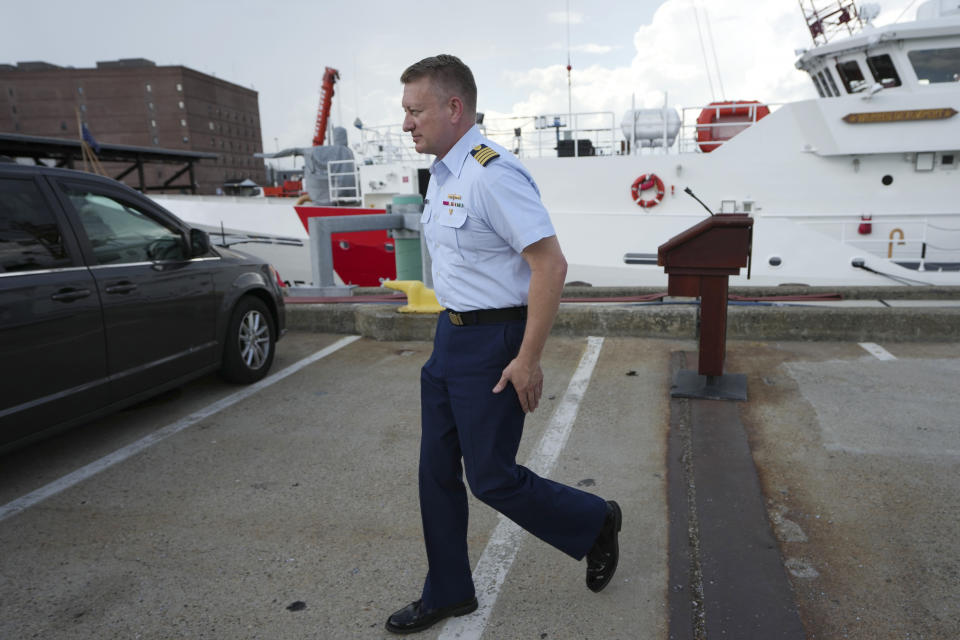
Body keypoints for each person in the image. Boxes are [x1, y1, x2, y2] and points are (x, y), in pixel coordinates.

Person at [385, 54, 621, 635]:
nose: (408, 123)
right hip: (451, 337)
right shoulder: (443, 175)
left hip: (496, 341)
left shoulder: (492, 173)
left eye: (416, 111)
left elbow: (550, 265)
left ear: (453, 107)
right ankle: (449, 592)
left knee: (490, 477)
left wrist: (528, 359)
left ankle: (595, 521)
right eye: (406, 112)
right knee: (435, 471)